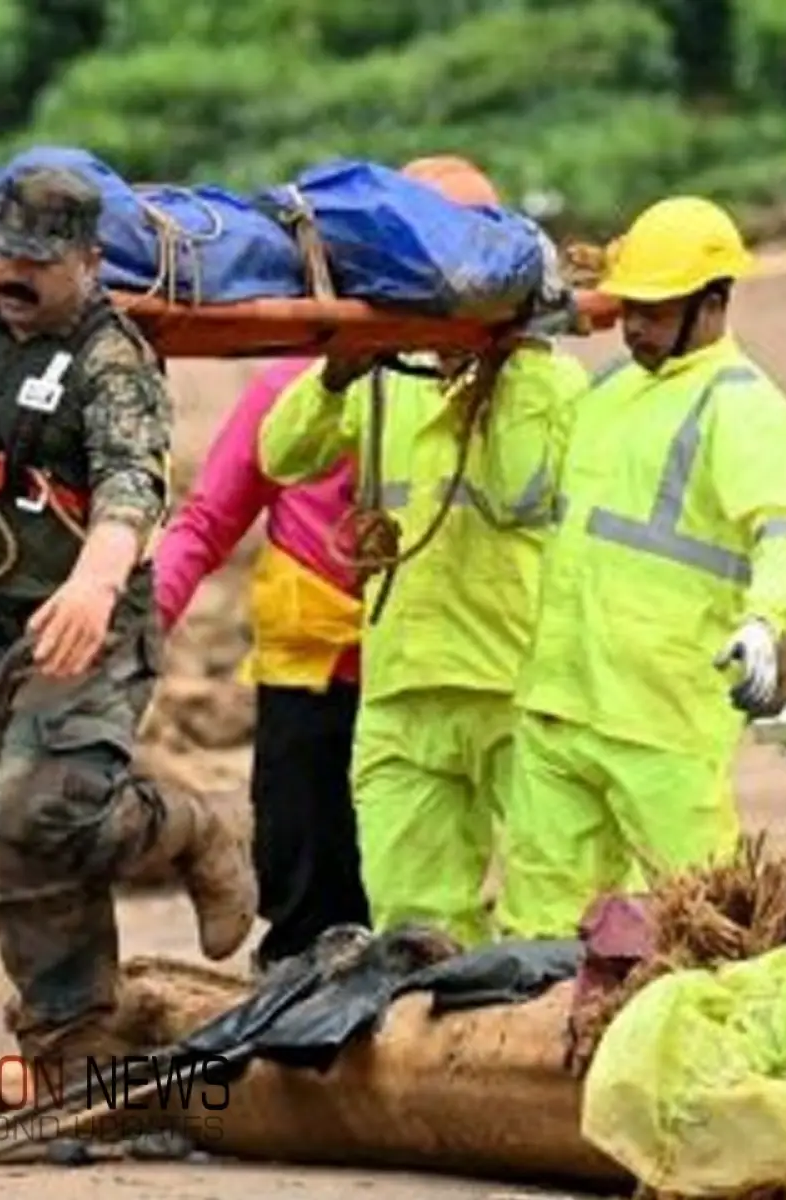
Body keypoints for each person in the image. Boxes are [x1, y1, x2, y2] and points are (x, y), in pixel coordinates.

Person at [0, 167, 256, 1073]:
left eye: (38, 262)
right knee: (17, 849)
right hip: (0, 633)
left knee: (45, 805)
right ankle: (70, 1050)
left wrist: (93, 580)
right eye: (6, 254)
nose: (15, 275)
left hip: (91, 623)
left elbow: (133, 480)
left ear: (86, 261)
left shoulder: (109, 356)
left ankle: (192, 827)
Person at [257, 156, 590, 948]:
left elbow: (520, 490)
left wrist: (506, 366)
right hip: (404, 682)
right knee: (413, 921)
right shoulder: (379, 378)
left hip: (516, 681)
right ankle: (440, 1066)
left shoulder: (556, 386)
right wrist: (336, 373)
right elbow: (283, 454)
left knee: (549, 912)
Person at [509, 196, 786, 932]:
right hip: (561, 701)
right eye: (629, 307)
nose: (635, 324)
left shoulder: (741, 404)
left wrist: (767, 621)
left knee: (699, 921)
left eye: (655, 308)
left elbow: (782, 528)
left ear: (714, 302)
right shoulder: (610, 390)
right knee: (539, 926)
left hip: (660, 717)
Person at [155, 355, 371, 969]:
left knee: (412, 893)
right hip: (306, 675)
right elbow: (206, 522)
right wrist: (142, 624)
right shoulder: (285, 389)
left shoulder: (452, 387)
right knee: (300, 883)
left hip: (424, 678)